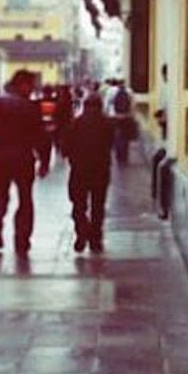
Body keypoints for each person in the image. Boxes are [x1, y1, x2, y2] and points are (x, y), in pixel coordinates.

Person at [0, 69, 49, 255]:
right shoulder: (30, 108)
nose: (32, 89)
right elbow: (41, 137)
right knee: (25, 199)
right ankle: (22, 239)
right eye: (30, 85)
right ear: (22, 85)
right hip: (23, 159)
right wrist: (44, 161)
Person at [64, 92, 116, 253]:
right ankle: (95, 239)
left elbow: (65, 147)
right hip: (100, 171)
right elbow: (110, 144)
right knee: (98, 206)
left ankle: (82, 232)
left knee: (78, 205)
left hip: (79, 171)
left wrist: (72, 157)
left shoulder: (76, 123)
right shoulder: (107, 124)